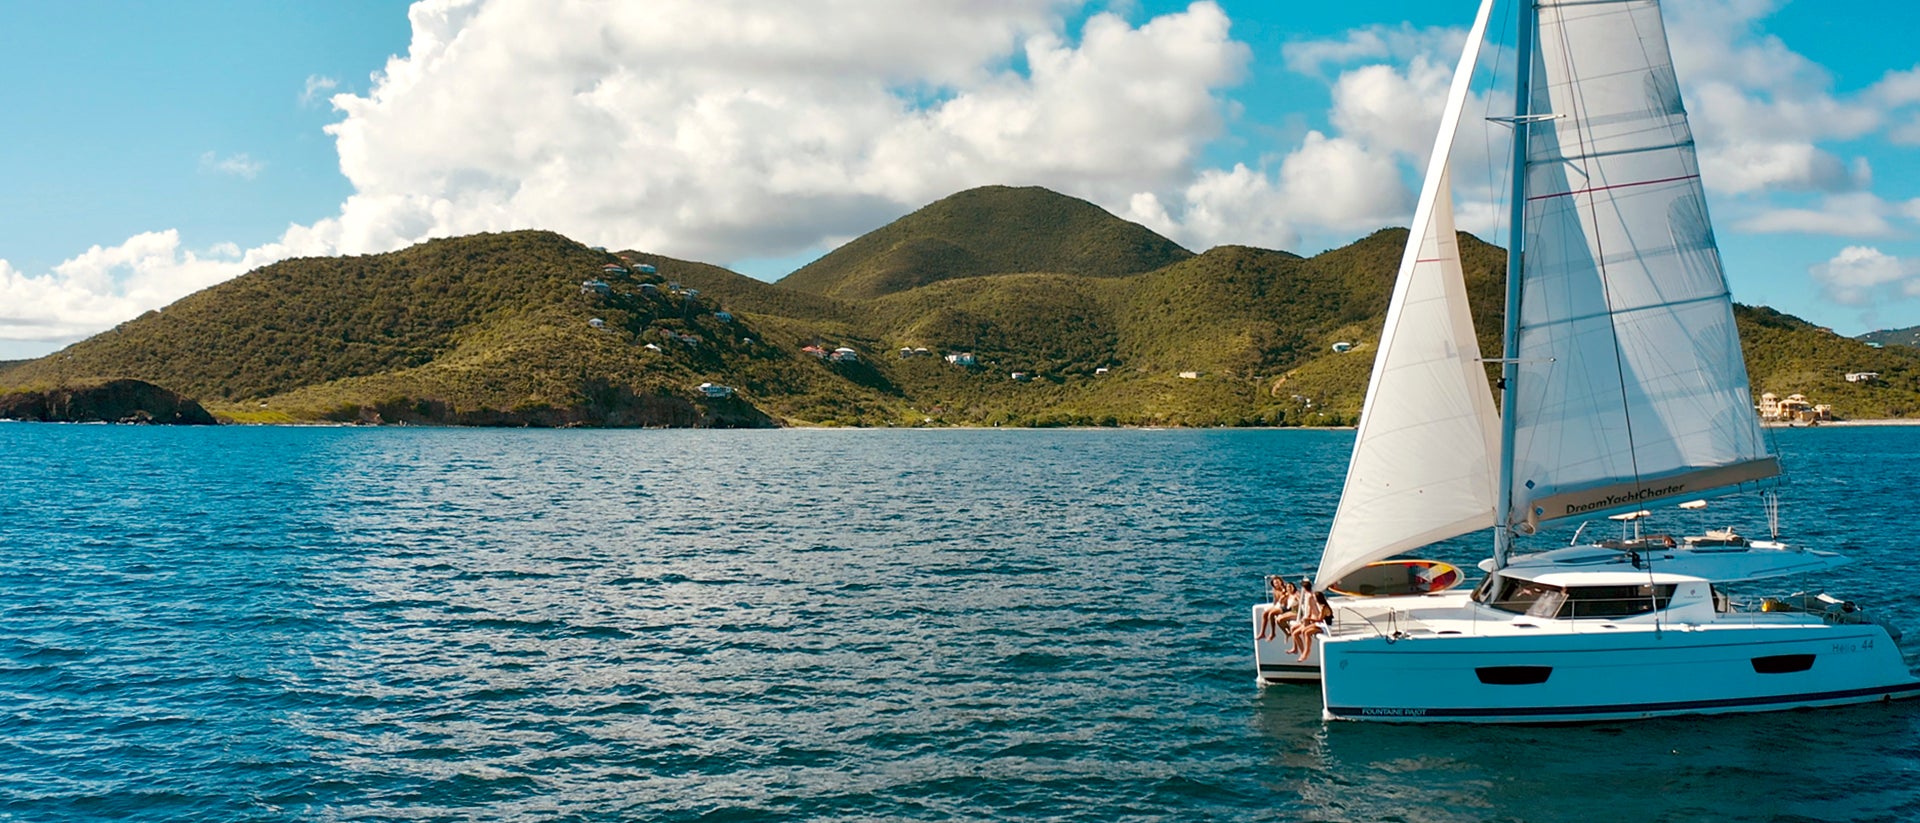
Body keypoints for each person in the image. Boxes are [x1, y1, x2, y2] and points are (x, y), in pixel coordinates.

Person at [1290, 588, 1333, 662]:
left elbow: (1320, 619)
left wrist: (1309, 620)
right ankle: (1304, 651)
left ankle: (1307, 651)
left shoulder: (1323, 607)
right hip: (1320, 624)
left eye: (1314, 598)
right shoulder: (1320, 605)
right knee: (1303, 630)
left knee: (1307, 632)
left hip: (1325, 627)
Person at [1257, 575, 1297, 641]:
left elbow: (1287, 600)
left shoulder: (1285, 589)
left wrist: (1284, 593)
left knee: (1271, 614)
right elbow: (1276, 600)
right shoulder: (1275, 590)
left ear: (1281, 582)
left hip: (1285, 607)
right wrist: (1274, 606)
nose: (1276, 584)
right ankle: (1262, 632)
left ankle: (1273, 633)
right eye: (1275, 583)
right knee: (1265, 613)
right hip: (1279, 605)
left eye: (1278, 582)